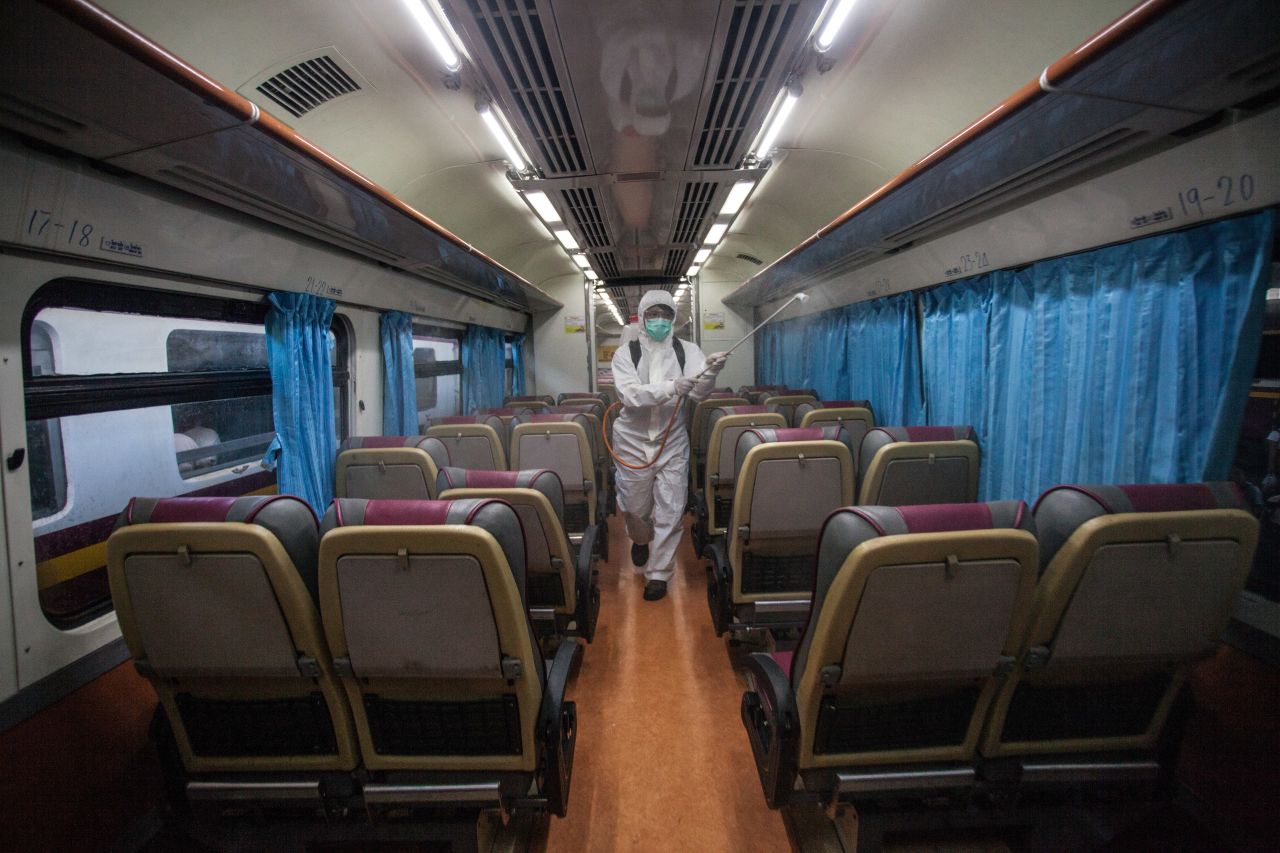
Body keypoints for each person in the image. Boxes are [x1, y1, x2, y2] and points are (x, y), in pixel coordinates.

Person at [611, 289, 728, 601]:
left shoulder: (687, 350)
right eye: (653, 314)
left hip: (672, 440)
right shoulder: (626, 353)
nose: (659, 320)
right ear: (643, 317)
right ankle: (639, 538)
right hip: (632, 441)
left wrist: (711, 371)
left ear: (673, 318)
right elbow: (629, 396)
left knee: (671, 510)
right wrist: (670, 387)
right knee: (636, 509)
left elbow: (698, 392)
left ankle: (659, 575)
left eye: (665, 314)